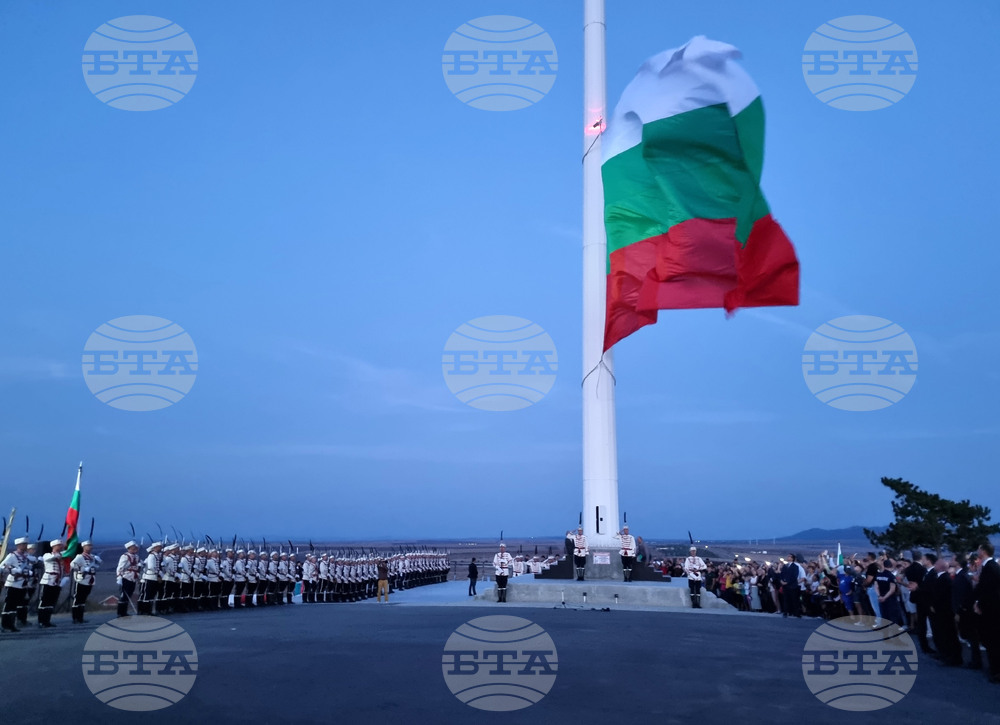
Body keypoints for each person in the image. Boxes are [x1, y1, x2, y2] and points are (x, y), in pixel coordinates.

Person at [973, 541, 1000, 684]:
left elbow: (989, 591)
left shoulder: (990, 567)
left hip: (992, 612)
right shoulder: (989, 566)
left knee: (993, 641)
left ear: (983, 551)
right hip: (990, 610)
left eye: (979, 549)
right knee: (991, 641)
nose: (977, 552)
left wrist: (979, 604)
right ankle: (994, 668)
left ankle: (996, 671)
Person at [929, 556, 962, 666]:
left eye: (936, 564)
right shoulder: (941, 578)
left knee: (949, 634)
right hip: (941, 611)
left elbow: (941, 596)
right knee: (944, 634)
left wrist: (934, 605)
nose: (934, 565)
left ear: (940, 566)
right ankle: (946, 654)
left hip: (945, 612)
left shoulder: (944, 579)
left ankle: (953, 657)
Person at [953, 552, 981, 670]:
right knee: (970, 636)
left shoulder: (962, 576)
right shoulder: (964, 575)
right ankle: (976, 661)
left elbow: (962, 596)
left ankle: (976, 662)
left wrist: (958, 611)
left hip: (966, 611)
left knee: (971, 636)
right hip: (966, 609)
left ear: (958, 562)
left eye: (953, 559)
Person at [1, 537, 33, 632]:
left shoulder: (26, 556)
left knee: (15, 605)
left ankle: (12, 624)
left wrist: (29, 572)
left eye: (26, 544)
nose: (25, 546)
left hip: (22, 583)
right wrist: (14, 570)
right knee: (9, 604)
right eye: (23, 544)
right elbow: (2, 566)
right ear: (18, 545)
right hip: (13, 583)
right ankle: (5, 625)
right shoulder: (12, 556)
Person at [69, 540, 101, 624]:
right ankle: (75, 618)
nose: (90, 547)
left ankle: (80, 617)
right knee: (78, 598)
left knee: (83, 599)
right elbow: (72, 565)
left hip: (90, 579)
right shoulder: (80, 557)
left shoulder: (93, 557)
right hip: (82, 579)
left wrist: (98, 561)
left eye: (91, 546)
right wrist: (81, 569)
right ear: (83, 547)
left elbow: (97, 566)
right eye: (88, 546)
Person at [875, 558, 904, 627]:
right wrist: (885, 597)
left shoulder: (878, 575)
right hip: (890, 599)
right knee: (893, 617)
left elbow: (876, 587)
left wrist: (879, 596)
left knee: (884, 616)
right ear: (891, 566)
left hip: (881, 598)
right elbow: (892, 589)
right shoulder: (891, 576)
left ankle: (886, 632)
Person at [116, 541, 141, 617]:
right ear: (129, 548)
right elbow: (120, 567)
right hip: (126, 577)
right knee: (124, 595)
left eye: (135, 547)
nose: (135, 549)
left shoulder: (136, 557)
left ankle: (125, 611)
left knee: (129, 594)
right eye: (133, 548)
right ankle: (120, 612)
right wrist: (119, 576)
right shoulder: (125, 556)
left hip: (133, 577)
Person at [138, 541, 163, 615]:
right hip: (150, 576)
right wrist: (159, 573)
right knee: (147, 594)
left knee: (152, 594)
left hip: (154, 577)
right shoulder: (152, 556)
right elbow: (151, 567)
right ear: (155, 547)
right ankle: (145, 610)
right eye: (159, 547)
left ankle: (149, 610)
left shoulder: (156, 556)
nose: (160, 548)